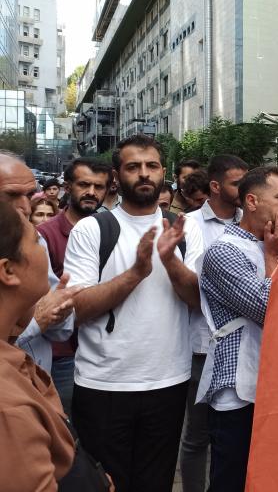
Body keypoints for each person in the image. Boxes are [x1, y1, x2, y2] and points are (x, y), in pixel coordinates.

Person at [63, 134, 203, 492]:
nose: (144, 173)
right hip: (103, 384)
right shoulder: (92, 229)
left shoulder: (185, 229)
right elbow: (77, 309)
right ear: (116, 176)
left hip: (168, 382)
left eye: (152, 166)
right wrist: (136, 272)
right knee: (106, 483)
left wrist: (170, 261)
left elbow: (197, 300)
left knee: (155, 483)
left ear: (163, 172)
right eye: (133, 166)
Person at [198, 166, 278, 491]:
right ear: (252, 202)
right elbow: (269, 310)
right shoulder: (223, 251)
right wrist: (273, 257)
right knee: (233, 479)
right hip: (238, 392)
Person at [181, 154, 248, 492]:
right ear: (215, 186)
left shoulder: (250, 221)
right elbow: (193, 285)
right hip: (203, 344)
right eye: (237, 184)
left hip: (245, 347)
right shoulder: (190, 224)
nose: (245, 190)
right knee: (198, 434)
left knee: (237, 433)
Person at [0, 200, 77, 489]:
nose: (44, 247)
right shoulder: (10, 410)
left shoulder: (14, 361)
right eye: (36, 240)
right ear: (8, 271)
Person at [37, 157, 111, 417]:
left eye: (98, 186)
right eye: (84, 184)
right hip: (62, 353)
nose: (91, 192)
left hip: (105, 350)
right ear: (67, 187)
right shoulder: (45, 235)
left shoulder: (112, 231)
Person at [0, 152, 74, 374]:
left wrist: (60, 311)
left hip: (39, 378)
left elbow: (60, 330)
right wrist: (36, 323)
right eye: (11, 195)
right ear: (6, 270)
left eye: (30, 194)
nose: (25, 207)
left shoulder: (35, 239)